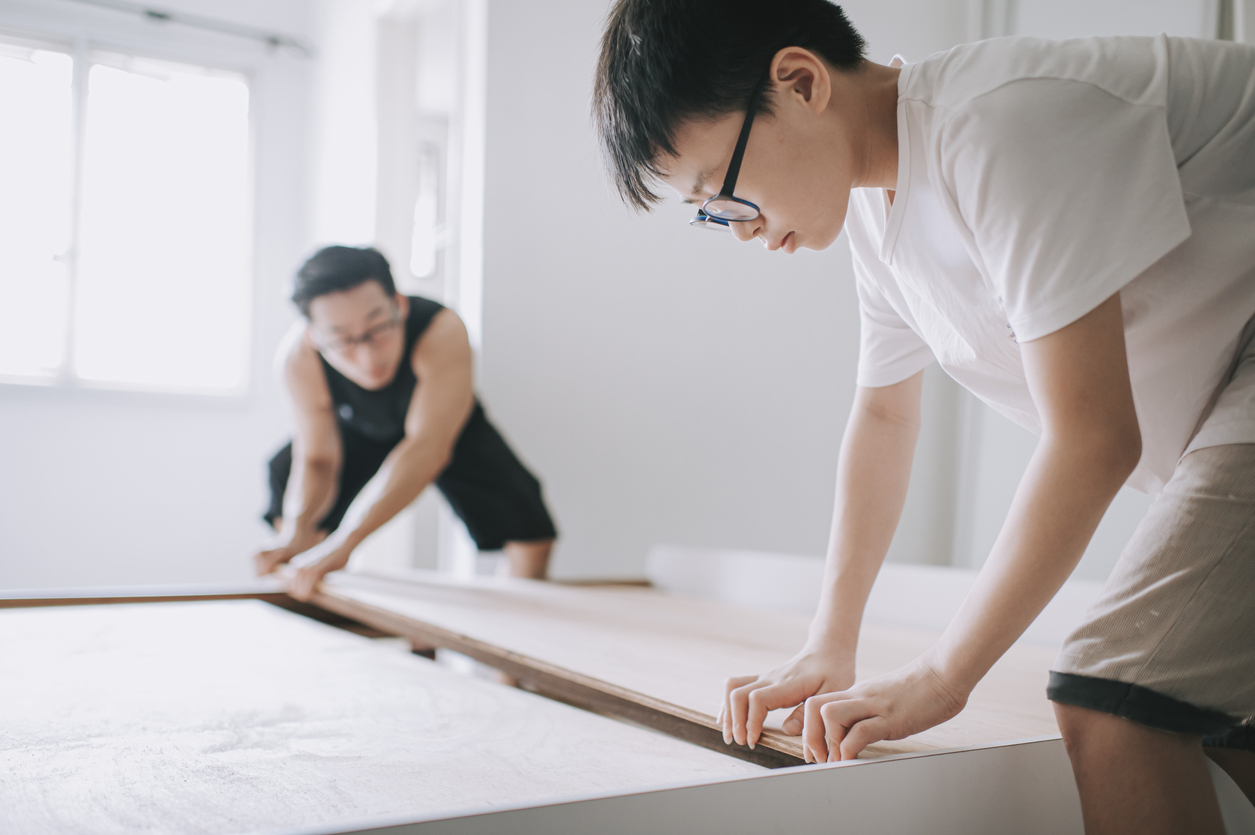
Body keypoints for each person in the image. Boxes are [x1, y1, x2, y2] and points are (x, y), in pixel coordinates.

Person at [593, 1, 1255, 832]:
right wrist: (829, 643)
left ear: (799, 82)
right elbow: (882, 419)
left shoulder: (996, 128)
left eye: (721, 194)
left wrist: (942, 674)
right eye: (710, 214)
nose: (740, 231)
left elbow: (1091, 440)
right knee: (1222, 722)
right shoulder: (876, 203)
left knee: (1116, 700)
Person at [255, 245, 557, 600]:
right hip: (355, 430)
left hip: (442, 427)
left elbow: (426, 450)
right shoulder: (298, 360)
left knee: (529, 523)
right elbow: (318, 458)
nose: (367, 356)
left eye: (377, 328)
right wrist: (296, 529)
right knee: (287, 482)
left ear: (399, 304)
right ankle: (314, 598)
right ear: (315, 336)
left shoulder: (442, 331)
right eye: (343, 340)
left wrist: (347, 542)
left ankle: (515, 629)